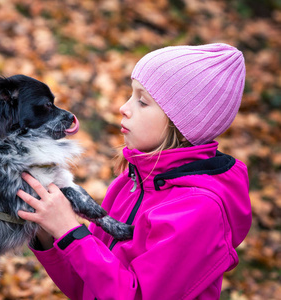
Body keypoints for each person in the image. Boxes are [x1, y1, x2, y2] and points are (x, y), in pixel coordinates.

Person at [16, 43, 252, 300]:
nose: (124, 108)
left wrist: (69, 232)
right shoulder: (129, 183)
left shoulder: (199, 210)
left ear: (181, 125)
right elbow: (87, 288)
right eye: (131, 95)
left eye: (142, 101)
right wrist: (48, 233)